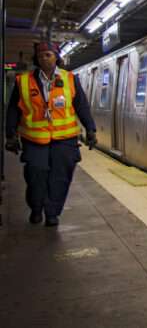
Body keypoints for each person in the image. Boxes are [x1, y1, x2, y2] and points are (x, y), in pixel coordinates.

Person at [5, 41, 97, 226]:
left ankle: (52, 212)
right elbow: (14, 110)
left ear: (56, 57)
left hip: (64, 140)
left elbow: (81, 106)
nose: (44, 58)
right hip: (34, 139)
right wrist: (10, 134)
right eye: (40, 56)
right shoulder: (23, 81)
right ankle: (36, 208)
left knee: (60, 177)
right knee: (35, 175)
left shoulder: (70, 78)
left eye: (48, 55)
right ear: (36, 59)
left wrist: (91, 129)